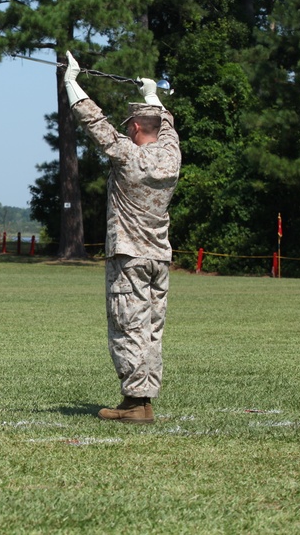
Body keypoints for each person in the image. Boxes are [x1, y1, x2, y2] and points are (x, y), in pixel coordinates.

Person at [64, 50, 181, 424]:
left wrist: (71, 81)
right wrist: (152, 95)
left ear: (133, 128)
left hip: (129, 256)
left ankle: (134, 402)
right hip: (159, 258)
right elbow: (169, 128)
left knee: (127, 327)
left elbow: (94, 122)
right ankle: (144, 400)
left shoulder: (127, 156)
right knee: (151, 329)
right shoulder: (171, 156)